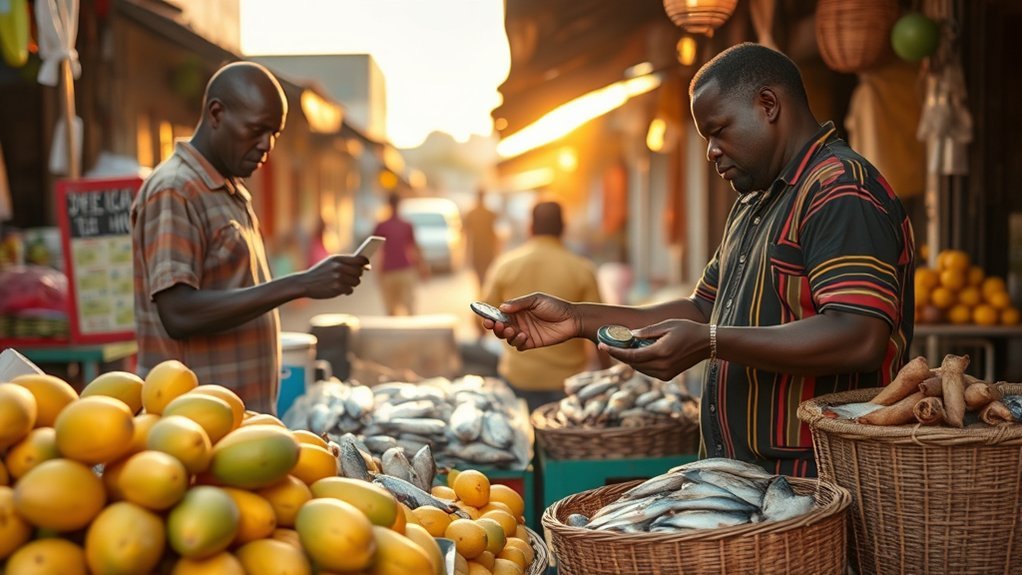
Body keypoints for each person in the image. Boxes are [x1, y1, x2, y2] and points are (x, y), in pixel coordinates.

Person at [480, 43, 915, 476]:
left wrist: (709, 342)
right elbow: (702, 308)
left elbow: (859, 335)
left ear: (768, 105)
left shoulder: (839, 189)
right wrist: (577, 319)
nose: (710, 152)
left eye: (719, 130)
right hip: (746, 476)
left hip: (817, 479)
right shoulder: (754, 204)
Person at [131, 62, 368, 415]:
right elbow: (178, 313)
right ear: (216, 114)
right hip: (194, 423)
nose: (266, 145)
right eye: (256, 130)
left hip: (238, 423)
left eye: (274, 133)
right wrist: (300, 284)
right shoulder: (175, 190)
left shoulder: (227, 190)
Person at [480, 200, 610, 411]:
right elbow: (600, 329)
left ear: (530, 227)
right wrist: (607, 373)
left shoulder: (506, 265)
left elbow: (482, 316)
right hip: (568, 382)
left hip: (518, 377)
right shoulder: (582, 269)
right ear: (564, 228)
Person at [372, 192, 428, 315]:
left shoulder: (381, 226)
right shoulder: (406, 225)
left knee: (391, 311)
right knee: (409, 309)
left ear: (388, 204)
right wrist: (422, 267)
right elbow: (414, 248)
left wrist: (376, 272)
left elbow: (375, 249)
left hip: (388, 272)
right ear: (399, 204)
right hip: (405, 271)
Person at [462, 187, 499, 290]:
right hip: (486, 249)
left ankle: (483, 294)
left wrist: (466, 253)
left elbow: (467, 235)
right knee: (487, 276)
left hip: (478, 249)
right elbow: (494, 233)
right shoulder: (489, 213)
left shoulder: (471, 213)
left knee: (481, 277)